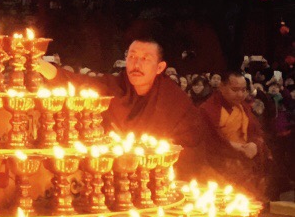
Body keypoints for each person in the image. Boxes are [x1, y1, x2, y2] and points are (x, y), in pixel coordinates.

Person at [37, 36, 217, 178]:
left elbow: (192, 142)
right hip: (114, 173)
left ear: (160, 67)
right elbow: (77, 82)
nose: (136, 65)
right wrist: (37, 63)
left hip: (160, 176)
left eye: (145, 59)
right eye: (132, 57)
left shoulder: (173, 99)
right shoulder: (114, 85)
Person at [198, 71, 271, 198]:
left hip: (245, 162)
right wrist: (233, 146)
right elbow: (206, 139)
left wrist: (254, 144)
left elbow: (256, 132)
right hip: (218, 165)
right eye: (235, 90)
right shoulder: (207, 109)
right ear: (222, 86)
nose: (240, 94)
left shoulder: (244, 108)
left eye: (243, 90)